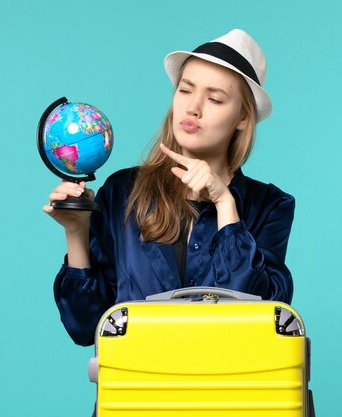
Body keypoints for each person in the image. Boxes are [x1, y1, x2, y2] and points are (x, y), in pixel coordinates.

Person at [43, 29, 295, 347]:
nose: (194, 108)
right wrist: (76, 233)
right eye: (185, 90)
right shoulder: (122, 192)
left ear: (243, 117)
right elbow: (85, 327)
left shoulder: (270, 206)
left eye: (215, 98)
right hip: (138, 390)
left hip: (230, 393)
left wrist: (224, 203)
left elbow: (261, 320)